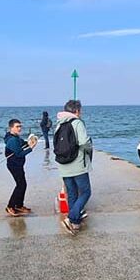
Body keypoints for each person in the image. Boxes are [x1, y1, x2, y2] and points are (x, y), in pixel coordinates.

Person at [54, 99, 93, 235]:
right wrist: (89, 146)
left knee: (71, 193)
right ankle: (71, 218)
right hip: (77, 165)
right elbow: (83, 142)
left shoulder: (59, 124)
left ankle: (75, 222)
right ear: (76, 111)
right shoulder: (77, 122)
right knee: (86, 192)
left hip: (63, 165)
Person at [4, 118, 36, 216]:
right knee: (20, 185)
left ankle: (19, 205)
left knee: (23, 185)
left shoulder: (16, 137)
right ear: (11, 128)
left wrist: (29, 142)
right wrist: (31, 148)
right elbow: (19, 154)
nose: (19, 128)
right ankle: (10, 206)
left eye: (20, 126)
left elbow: (23, 143)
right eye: (17, 127)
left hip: (18, 164)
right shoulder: (12, 140)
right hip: (14, 165)